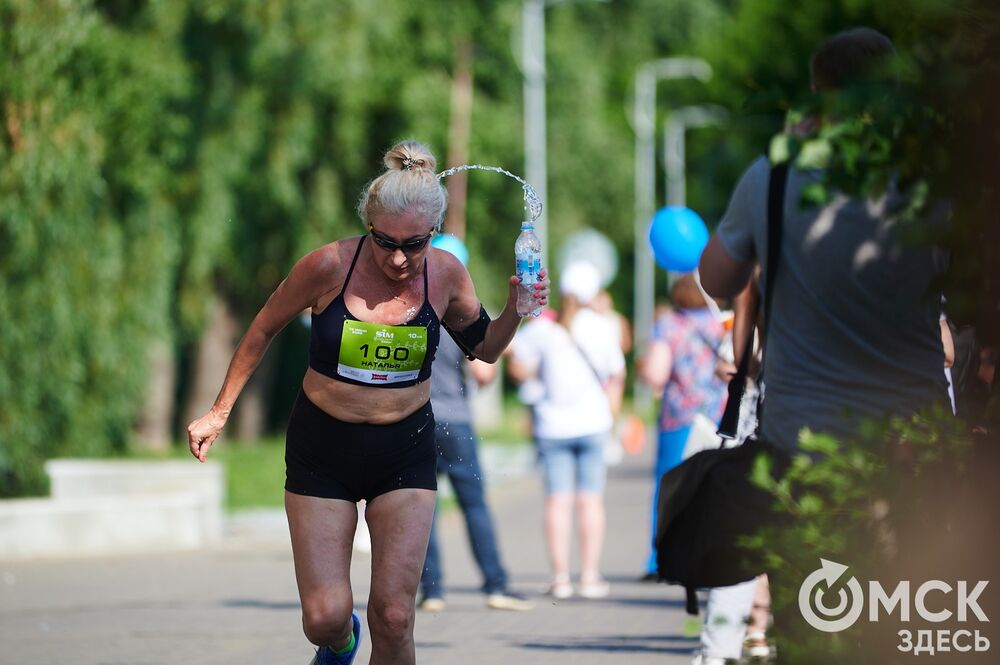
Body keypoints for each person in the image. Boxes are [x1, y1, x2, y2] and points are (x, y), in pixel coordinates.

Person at [186, 140, 549, 665]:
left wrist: (516, 310)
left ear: (435, 233)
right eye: (385, 242)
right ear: (368, 224)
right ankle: (340, 644)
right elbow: (263, 326)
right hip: (322, 449)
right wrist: (218, 411)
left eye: (415, 244)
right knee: (324, 618)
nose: (399, 258)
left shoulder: (446, 274)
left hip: (405, 450)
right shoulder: (328, 265)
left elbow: (485, 350)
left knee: (397, 617)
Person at [694, 28, 949, 665]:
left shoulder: (774, 179)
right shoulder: (934, 179)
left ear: (817, 91)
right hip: (912, 442)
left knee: (815, 624)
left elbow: (716, 278)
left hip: (805, 444)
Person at [417, 236, 534, 613]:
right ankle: (495, 583)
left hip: (419, 420)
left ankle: (432, 591)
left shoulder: (416, 308)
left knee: (424, 508)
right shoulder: (459, 313)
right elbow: (483, 375)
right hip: (456, 421)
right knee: (475, 505)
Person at [507, 260, 626, 600]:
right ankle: (589, 577)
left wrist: (534, 376)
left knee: (557, 503)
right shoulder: (603, 327)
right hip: (594, 424)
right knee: (591, 501)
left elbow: (516, 362)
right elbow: (617, 373)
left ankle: (560, 578)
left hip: (552, 425)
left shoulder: (546, 329)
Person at [638, 273, 727, 580]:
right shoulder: (722, 323)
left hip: (679, 417)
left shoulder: (669, 325)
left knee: (669, 487)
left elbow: (656, 374)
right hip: (719, 416)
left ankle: (659, 559)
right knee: (713, 489)